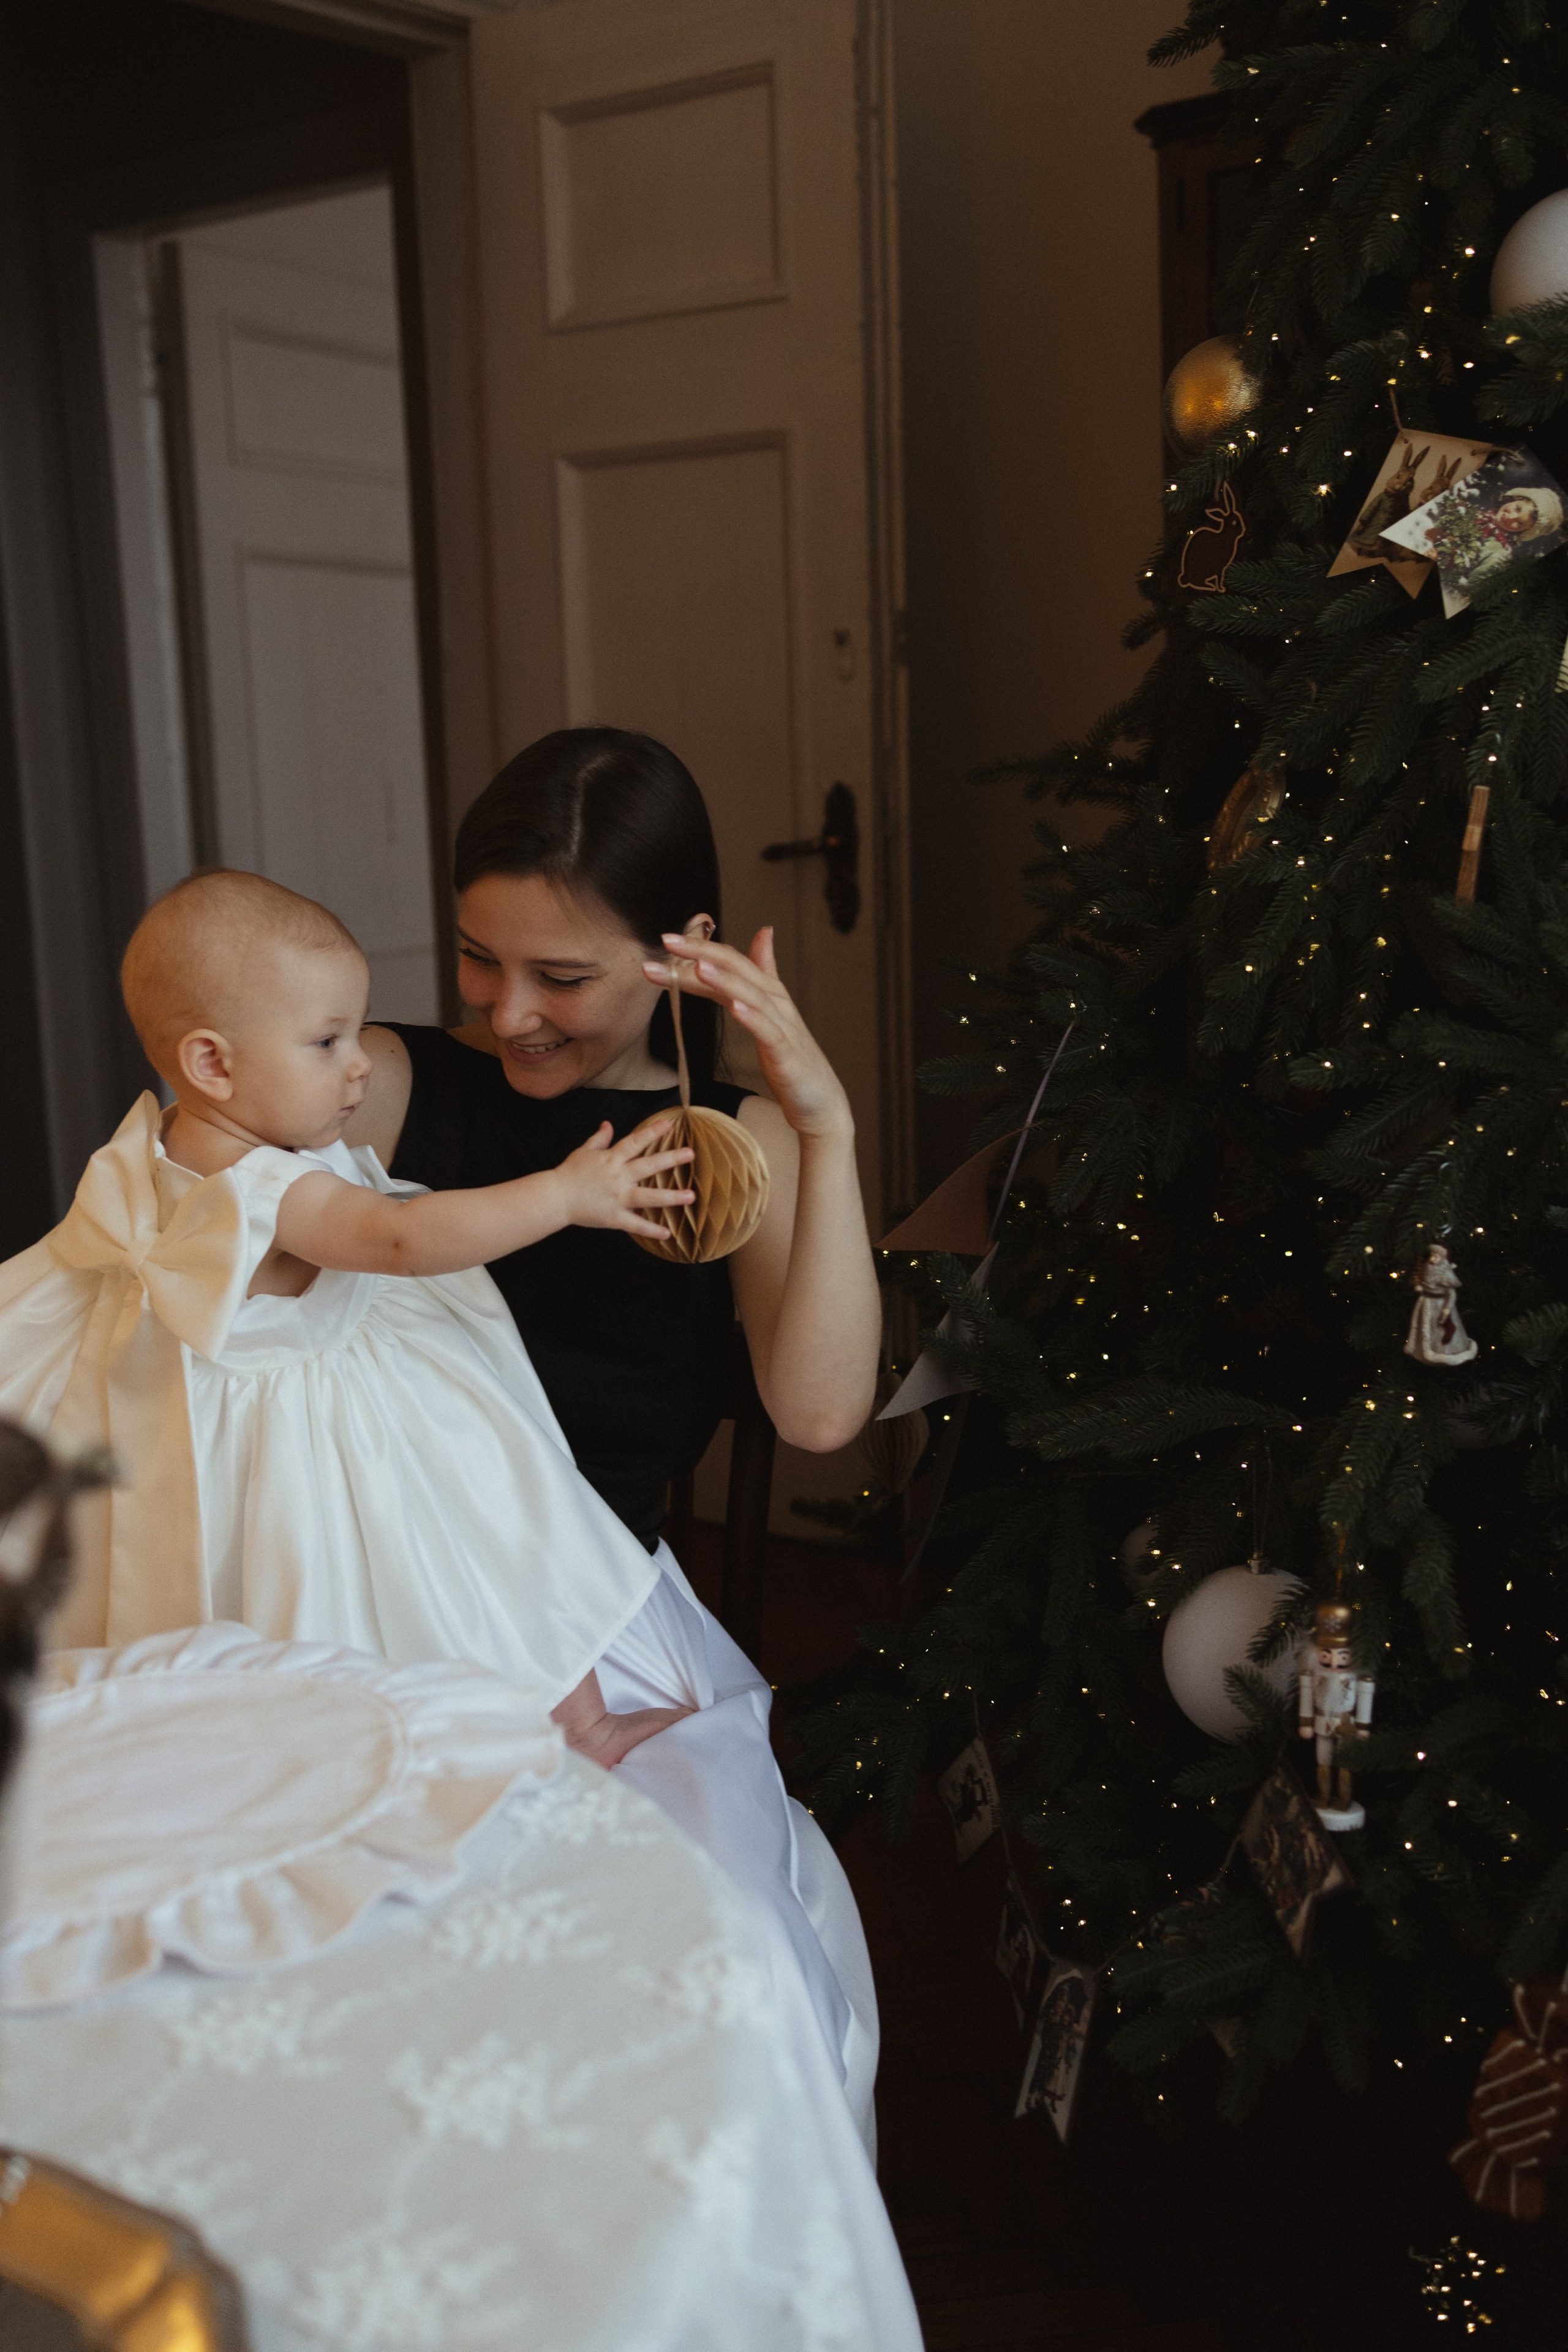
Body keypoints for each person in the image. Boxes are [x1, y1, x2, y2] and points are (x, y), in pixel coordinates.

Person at [341, 728, 888, 2163]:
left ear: (679, 951)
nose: (507, 1012)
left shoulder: (731, 1141)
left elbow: (821, 1415)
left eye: (561, 977)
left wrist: (818, 1122)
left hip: (594, 1618)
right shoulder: (393, 1088)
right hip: (381, 1596)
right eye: (477, 957)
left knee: (704, 1973)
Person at [0, 868, 702, 1764]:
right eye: (327, 1042)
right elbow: (403, 1236)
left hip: (204, 1417)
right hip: (329, 1424)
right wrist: (565, 1196)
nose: (361, 1062)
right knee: (497, 1525)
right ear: (212, 1062)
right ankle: (575, 1725)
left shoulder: (168, 1135)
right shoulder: (269, 1185)